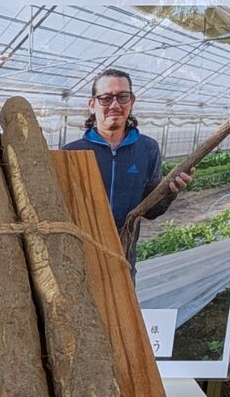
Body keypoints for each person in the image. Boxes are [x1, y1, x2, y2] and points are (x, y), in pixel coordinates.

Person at [62, 68, 192, 271]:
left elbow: (150, 211)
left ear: (131, 101)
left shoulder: (147, 149)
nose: (115, 105)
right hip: (79, 261)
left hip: (124, 259)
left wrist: (169, 192)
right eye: (106, 98)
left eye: (122, 97)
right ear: (92, 104)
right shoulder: (71, 153)